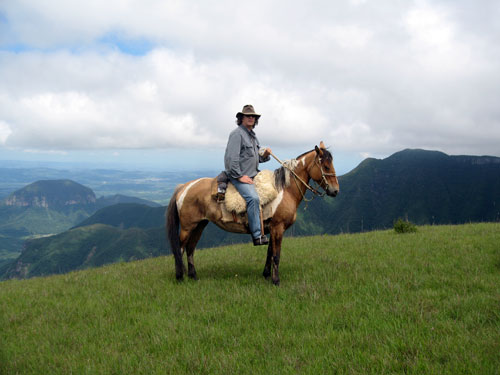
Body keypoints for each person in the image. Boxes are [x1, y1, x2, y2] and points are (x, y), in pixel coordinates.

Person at [224, 104, 272, 246]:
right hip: (239, 175)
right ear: (241, 118)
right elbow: (231, 159)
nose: (251, 118)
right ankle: (257, 235)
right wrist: (239, 176)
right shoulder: (237, 134)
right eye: (248, 116)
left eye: (253, 116)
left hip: (253, 174)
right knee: (253, 198)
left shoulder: (253, 137)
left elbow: (256, 158)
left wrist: (266, 156)